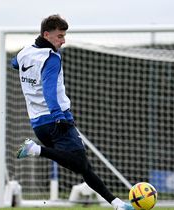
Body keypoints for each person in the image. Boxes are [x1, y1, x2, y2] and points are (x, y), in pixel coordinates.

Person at [11, 14, 134, 210]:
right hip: (56, 119)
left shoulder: (25, 52)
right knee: (80, 164)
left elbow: (14, 64)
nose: (63, 40)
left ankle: (118, 204)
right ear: (46, 34)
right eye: (59, 36)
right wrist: (58, 115)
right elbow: (49, 90)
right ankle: (35, 150)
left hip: (38, 123)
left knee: (83, 166)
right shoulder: (51, 58)